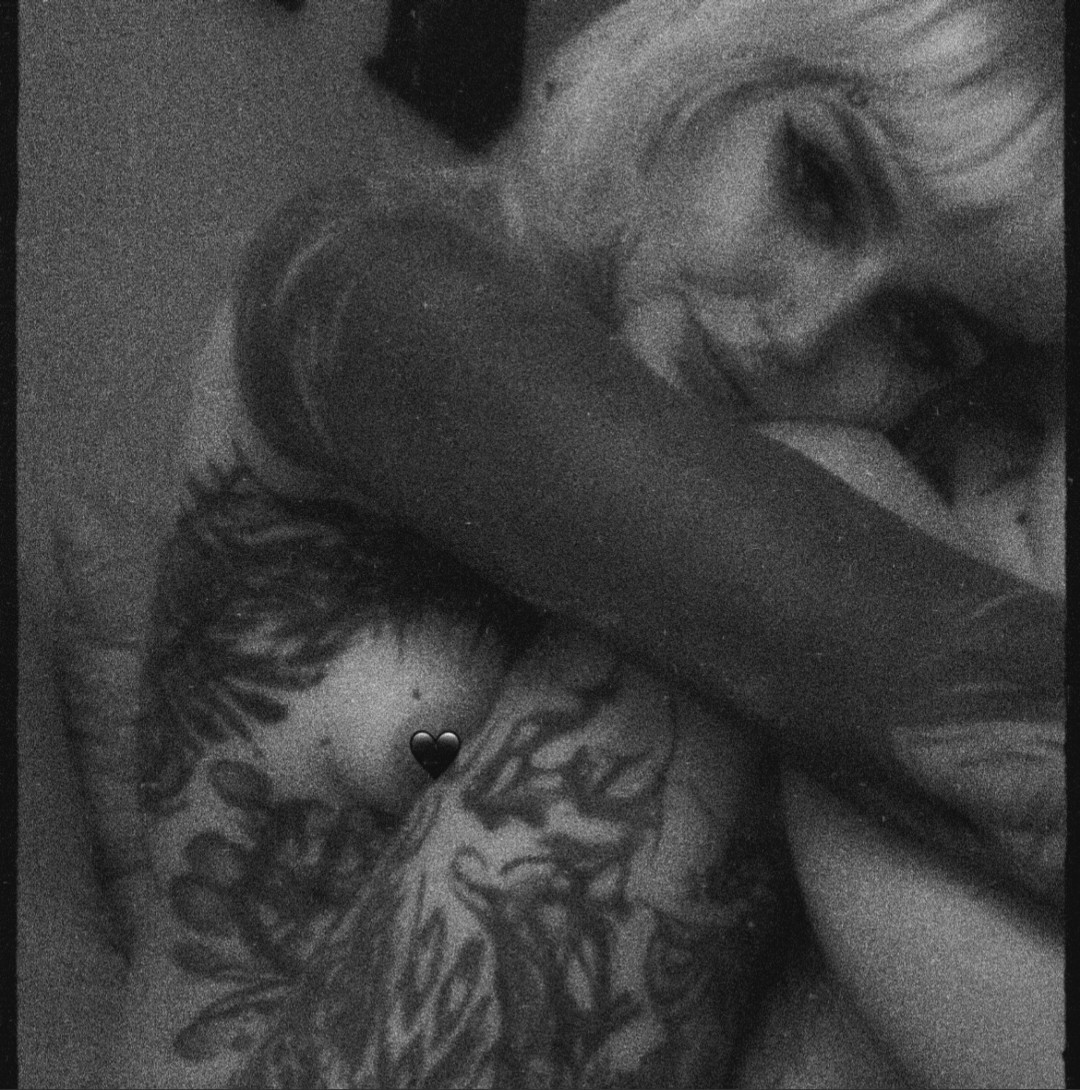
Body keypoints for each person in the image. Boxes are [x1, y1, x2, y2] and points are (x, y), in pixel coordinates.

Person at [110, 0, 1063, 1085]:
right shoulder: (358, 275)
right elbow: (905, 661)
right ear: (714, 68)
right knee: (829, 518)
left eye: (920, 334)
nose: (803, 331)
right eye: (817, 186)